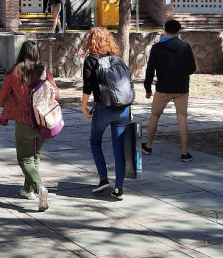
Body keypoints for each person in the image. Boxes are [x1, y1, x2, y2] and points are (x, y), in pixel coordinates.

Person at [0, 40, 58, 212]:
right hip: (43, 122)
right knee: (35, 155)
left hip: (24, 123)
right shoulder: (44, 71)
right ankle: (28, 190)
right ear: (36, 53)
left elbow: (3, 95)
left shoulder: (14, 72)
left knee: (24, 159)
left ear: (22, 52)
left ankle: (39, 188)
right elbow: (57, 94)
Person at [80, 27, 133, 200]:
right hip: (122, 108)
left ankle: (103, 179)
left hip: (103, 108)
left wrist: (83, 107)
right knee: (118, 149)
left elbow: (88, 86)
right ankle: (119, 188)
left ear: (91, 41)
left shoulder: (91, 60)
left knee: (95, 142)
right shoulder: (117, 59)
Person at [143, 19, 198, 161]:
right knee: (182, 119)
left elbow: (150, 70)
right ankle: (184, 152)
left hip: (163, 88)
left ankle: (148, 146)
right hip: (181, 88)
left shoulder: (157, 48)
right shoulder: (185, 47)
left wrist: (148, 89)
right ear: (178, 31)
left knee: (155, 116)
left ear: (165, 30)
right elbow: (192, 68)